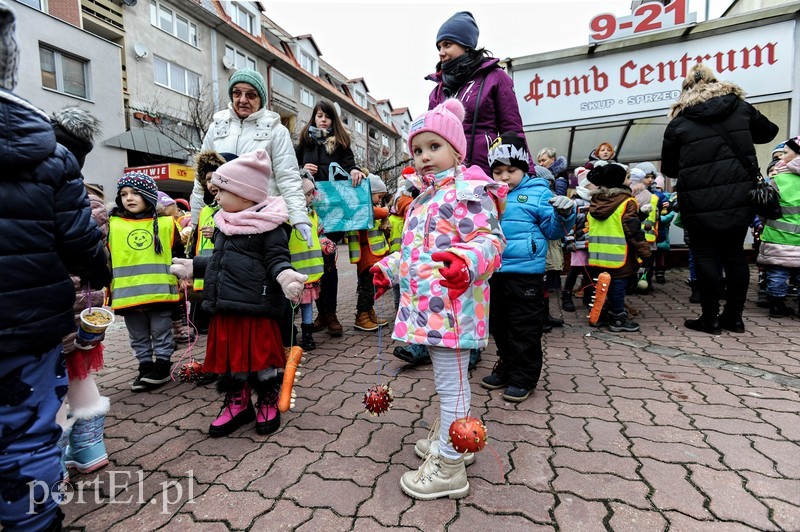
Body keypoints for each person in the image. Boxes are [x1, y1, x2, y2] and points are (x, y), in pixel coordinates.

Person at [0, 3, 110, 527]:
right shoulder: (49, 158)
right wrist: (100, 272)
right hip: (28, 323)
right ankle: (34, 520)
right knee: (25, 431)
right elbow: (80, 241)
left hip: (46, 319)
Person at [371, 99, 506, 500]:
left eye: (434, 147)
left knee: (453, 385)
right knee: (450, 383)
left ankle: (449, 464)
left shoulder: (468, 191)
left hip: (454, 308)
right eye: (417, 150)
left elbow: (492, 242)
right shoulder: (423, 199)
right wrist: (389, 267)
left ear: (457, 150)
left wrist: (465, 261)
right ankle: (453, 442)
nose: (425, 157)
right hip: (432, 311)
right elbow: (418, 252)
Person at [170, 150, 307, 437]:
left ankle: (267, 397)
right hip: (225, 306)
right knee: (232, 359)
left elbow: (277, 260)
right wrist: (192, 266)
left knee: (262, 358)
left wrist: (286, 277)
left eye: (222, 191)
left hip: (256, 307)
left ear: (244, 195)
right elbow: (221, 262)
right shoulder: (224, 225)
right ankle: (238, 401)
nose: (216, 197)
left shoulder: (270, 226)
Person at [661, 63, 778, 334]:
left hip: (698, 200)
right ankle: (734, 317)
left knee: (704, 255)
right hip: (740, 195)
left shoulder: (679, 122)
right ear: (717, 81)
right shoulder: (739, 107)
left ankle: (710, 318)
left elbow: (668, 169)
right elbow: (769, 132)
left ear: (686, 88)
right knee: (735, 255)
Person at [480, 132, 575, 402]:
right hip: (495, 272)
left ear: (523, 169)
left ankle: (524, 377)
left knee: (524, 327)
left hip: (526, 275)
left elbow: (553, 231)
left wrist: (565, 214)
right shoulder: (487, 196)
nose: (504, 177)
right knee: (498, 324)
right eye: (498, 171)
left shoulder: (537, 193)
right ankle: (506, 366)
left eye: (511, 170)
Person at [51, 106, 112, 478]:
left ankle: (50, 459)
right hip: (84, 315)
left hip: (50, 314)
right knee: (79, 376)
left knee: (49, 388)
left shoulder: (45, 197)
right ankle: (90, 449)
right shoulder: (90, 205)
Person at [192, 68, 312, 242]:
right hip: (222, 220)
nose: (242, 100)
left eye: (251, 95)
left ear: (261, 98)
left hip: (262, 220)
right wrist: (195, 220)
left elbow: (288, 178)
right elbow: (201, 179)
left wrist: (299, 217)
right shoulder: (216, 128)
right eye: (237, 93)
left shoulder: (276, 131)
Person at [295, 100, 366, 338]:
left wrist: (356, 171)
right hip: (310, 212)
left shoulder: (341, 144)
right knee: (314, 264)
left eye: (327, 116)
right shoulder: (304, 143)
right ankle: (321, 314)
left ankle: (330, 314)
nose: (323, 120)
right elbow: (290, 171)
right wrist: (302, 169)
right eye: (319, 116)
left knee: (328, 262)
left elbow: (351, 167)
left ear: (333, 120)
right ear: (313, 118)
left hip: (334, 214)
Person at [426, 11, 528, 176]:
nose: (441, 52)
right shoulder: (437, 91)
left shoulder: (495, 77)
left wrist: (527, 176)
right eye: (439, 47)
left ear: (465, 44)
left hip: (488, 176)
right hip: (448, 181)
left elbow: (513, 130)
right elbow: (430, 137)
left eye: (447, 44)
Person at [109, 172, 184, 391]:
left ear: (149, 196)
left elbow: (179, 255)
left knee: (161, 332)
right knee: (138, 335)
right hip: (129, 294)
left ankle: (162, 365)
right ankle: (144, 366)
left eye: (135, 193)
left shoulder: (166, 224)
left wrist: (183, 279)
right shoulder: (113, 225)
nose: (128, 198)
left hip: (160, 291)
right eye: (123, 194)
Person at [585, 162, 651, 332]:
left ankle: (601, 314)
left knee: (602, 286)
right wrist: (646, 254)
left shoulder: (595, 200)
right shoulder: (627, 201)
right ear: (619, 180)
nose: (629, 180)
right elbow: (633, 231)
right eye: (627, 177)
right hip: (619, 255)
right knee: (618, 287)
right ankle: (618, 317)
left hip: (597, 255)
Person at [757, 136, 800, 318]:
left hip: (776, 235)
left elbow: (762, 206)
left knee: (777, 272)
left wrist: (764, 223)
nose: (781, 157)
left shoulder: (776, 179)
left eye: (785, 152)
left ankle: (776, 305)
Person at [346, 174, 390, 331]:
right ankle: (362, 316)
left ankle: (369, 311)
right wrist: (386, 210)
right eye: (379, 196)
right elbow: (377, 212)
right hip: (367, 255)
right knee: (367, 286)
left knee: (371, 285)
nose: (379, 200)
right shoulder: (361, 207)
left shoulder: (365, 206)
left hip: (372, 254)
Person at [290, 174, 327, 351]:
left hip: (310, 271)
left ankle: (307, 334)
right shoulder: (288, 217)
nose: (312, 196)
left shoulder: (313, 215)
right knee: (292, 305)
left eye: (312, 193)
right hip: (293, 271)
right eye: (308, 193)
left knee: (307, 304)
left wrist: (325, 241)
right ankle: (290, 333)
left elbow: (319, 234)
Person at [562, 168, 595, 312]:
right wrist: (569, 240)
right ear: (586, 185)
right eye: (594, 184)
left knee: (590, 271)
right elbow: (569, 222)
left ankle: (588, 296)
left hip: (593, 244)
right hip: (579, 243)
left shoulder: (597, 202)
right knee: (575, 270)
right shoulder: (575, 202)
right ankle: (566, 296)